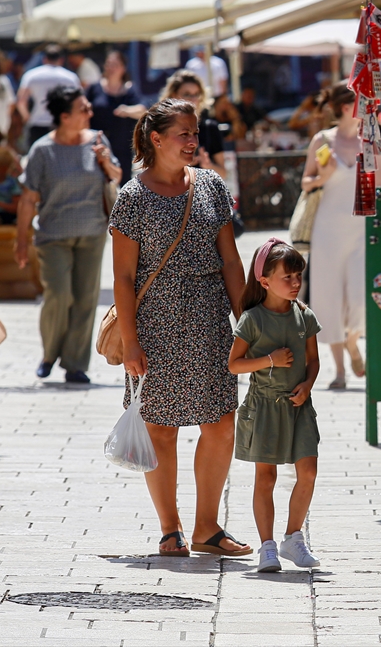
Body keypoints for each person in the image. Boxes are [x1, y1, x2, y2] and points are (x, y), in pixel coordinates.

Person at [111, 98, 249, 558]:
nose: (193, 141)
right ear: (156, 139)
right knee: (160, 429)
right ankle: (171, 530)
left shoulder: (210, 185)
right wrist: (130, 340)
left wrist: (247, 321)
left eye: (195, 132)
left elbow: (230, 259)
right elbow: (124, 278)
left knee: (220, 424)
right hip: (156, 324)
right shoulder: (132, 197)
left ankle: (208, 528)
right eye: (183, 134)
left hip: (210, 321)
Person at [16, 86, 121, 383]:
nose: (90, 112)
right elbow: (28, 198)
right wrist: (21, 241)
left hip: (92, 232)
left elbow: (116, 177)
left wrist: (105, 162)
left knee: (86, 298)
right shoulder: (42, 150)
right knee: (59, 295)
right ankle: (50, 353)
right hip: (52, 235)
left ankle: (75, 364)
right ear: (64, 116)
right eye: (83, 109)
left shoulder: (98, 141)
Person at [229, 238, 321, 572]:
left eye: (299, 277)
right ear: (265, 281)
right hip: (263, 406)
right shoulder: (252, 319)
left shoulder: (304, 315)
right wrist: (269, 359)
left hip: (299, 407)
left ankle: (293, 539)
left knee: (308, 472)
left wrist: (307, 386)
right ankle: (266, 547)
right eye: (288, 277)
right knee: (265, 478)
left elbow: (313, 361)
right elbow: (234, 364)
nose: (295, 284)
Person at [299, 82, 381, 389]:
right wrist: (324, 175)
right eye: (363, 103)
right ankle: (339, 371)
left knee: (361, 297)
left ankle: (351, 340)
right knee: (328, 296)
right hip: (328, 231)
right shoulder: (323, 140)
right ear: (348, 108)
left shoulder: (369, 142)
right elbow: (306, 182)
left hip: (361, 230)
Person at [88, 50, 146, 183]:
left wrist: (126, 110)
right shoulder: (94, 88)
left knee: (122, 183)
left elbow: (143, 110)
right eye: (109, 64)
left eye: (115, 65)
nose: (111, 68)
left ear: (123, 68)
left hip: (122, 148)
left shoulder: (129, 90)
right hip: (97, 145)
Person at [161, 69, 226, 176]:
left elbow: (223, 173)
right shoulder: (163, 128)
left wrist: (208, 165)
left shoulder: (210, 128)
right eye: (187, 94)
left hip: (203, 190)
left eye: (196, 94)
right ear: (173, 95)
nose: (193, 99)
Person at [15, 45, 81, 148]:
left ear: (44, 59)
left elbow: (21, 101)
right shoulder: (71, 77)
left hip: (37, 123)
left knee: (37, 160)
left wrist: (26, 117)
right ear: (61, 60)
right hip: (62, 123)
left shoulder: (31, 75)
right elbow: (79, 102)